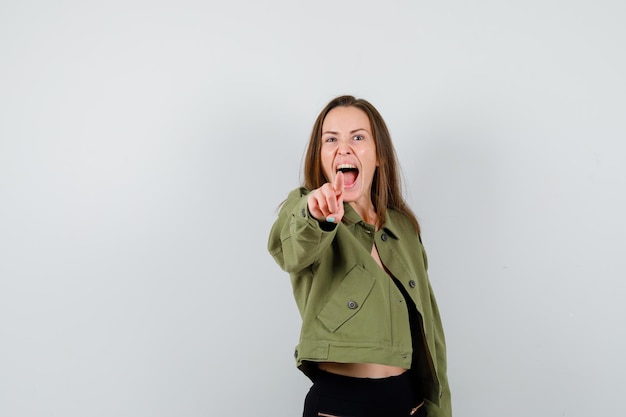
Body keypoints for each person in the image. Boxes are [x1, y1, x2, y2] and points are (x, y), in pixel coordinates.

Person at [267, 95, 452, 417]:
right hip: (343, 404)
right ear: (321, 155)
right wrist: (317, 214)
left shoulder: (403, 227)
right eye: (331, 139)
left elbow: (430, 330)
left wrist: (439, 411)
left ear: (378, 154)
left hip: (411, 400)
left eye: (358, 137)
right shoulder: (307, 211)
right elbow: (293, 251)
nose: (344, 148)